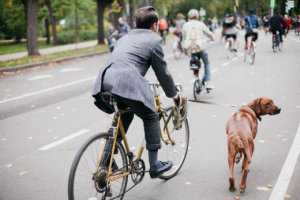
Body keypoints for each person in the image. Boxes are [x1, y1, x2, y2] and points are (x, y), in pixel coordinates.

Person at [92, 6, 185, 179]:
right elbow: (163, 74)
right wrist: (174, 95)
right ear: (155, 25)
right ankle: (155, 165)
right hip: (126, 81)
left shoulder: (124, 38)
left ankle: (106, 161)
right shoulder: (154, 40)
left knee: (125, 113)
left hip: (105, 80)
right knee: (151, 116)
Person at [182, 9, 215, 89]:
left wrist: (185, 50)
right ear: (197, 16)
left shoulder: (185, 25)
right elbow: (209, 33)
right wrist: (212, 38)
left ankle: (197, 79)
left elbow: (183, 38)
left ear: (189, 16)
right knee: (206, 63)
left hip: (190, 48)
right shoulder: (201, 24)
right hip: (200, 47)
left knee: (194, 63)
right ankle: (206, 81)